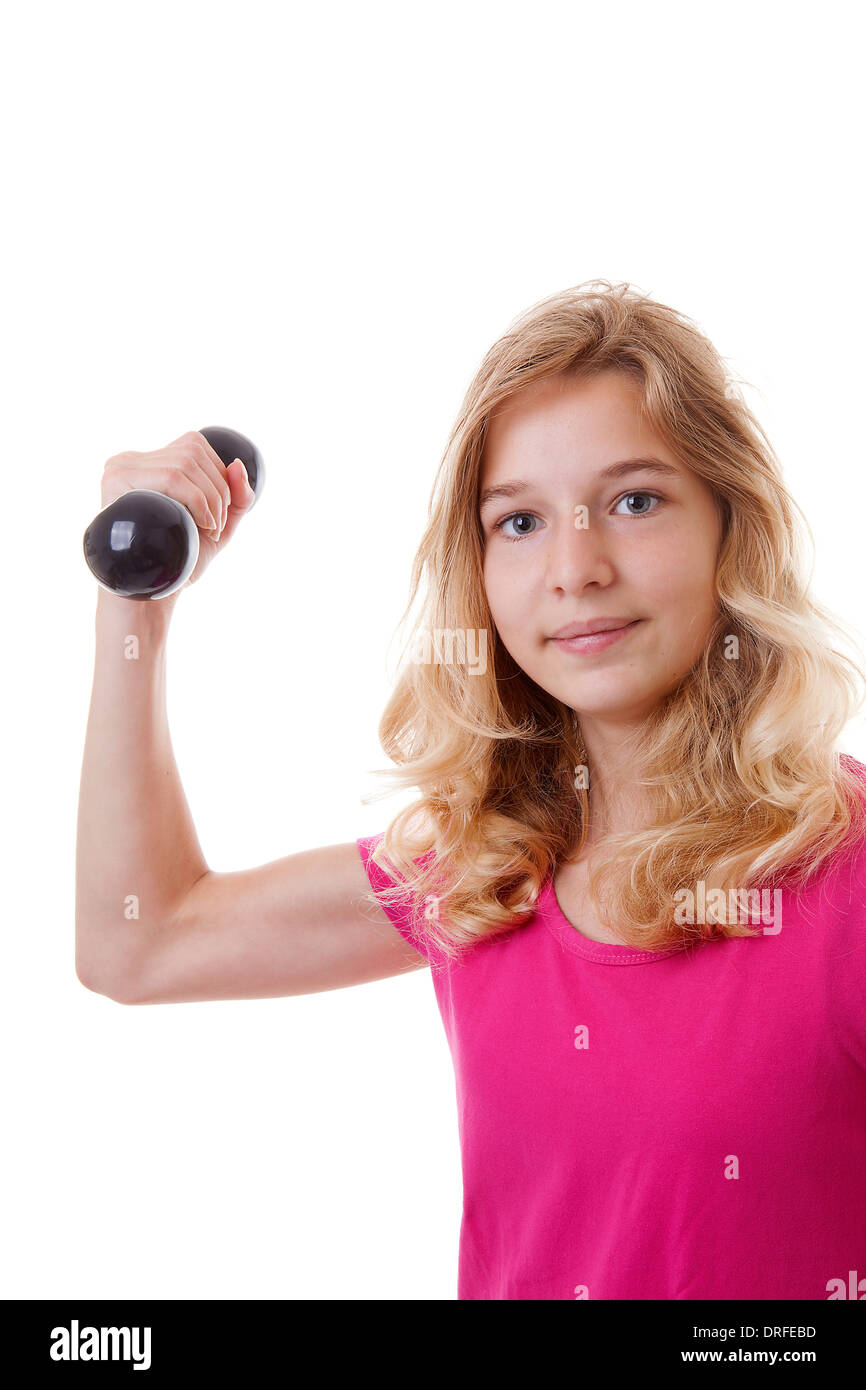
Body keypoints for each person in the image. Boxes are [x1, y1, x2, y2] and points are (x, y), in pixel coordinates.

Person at [76, 279, 866, 1301]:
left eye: (633, 501)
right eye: (519, 522)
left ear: (730, 525)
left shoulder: (841, 879)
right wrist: (136, 603)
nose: (574, 568)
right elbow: (139, 941)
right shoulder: (485, 867)